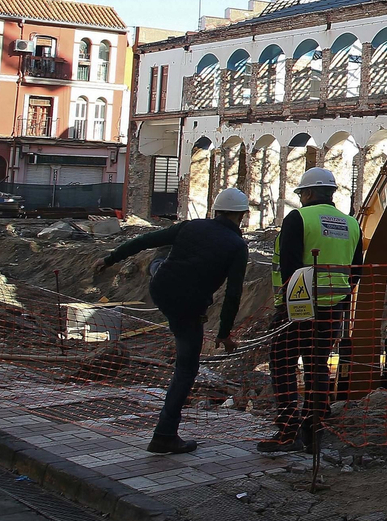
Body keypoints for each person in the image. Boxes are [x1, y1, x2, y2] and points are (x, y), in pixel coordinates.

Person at [95, 188, 251, 455]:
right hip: (190, 306)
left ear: (216, 210)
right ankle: (165, 434)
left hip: (162, 289)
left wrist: (109, 259)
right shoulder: (238, 246)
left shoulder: (190, 226)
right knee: (186, 369)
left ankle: (156, 267)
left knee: (160, 258)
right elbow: (233, 294)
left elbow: (144, 240)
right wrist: (224, 333)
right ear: (242, 215)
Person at [259, 167, 363, 453]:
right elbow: (356, 272)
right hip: (333, 308)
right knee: (317, 365)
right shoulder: (352, 224)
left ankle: (287, 431)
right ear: (331, 193)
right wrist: (338, 300)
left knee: (283, 363)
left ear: (307, 193)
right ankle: (314, 428)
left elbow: (291, 269)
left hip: (298, 308)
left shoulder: (299, 218)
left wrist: (292, 308)